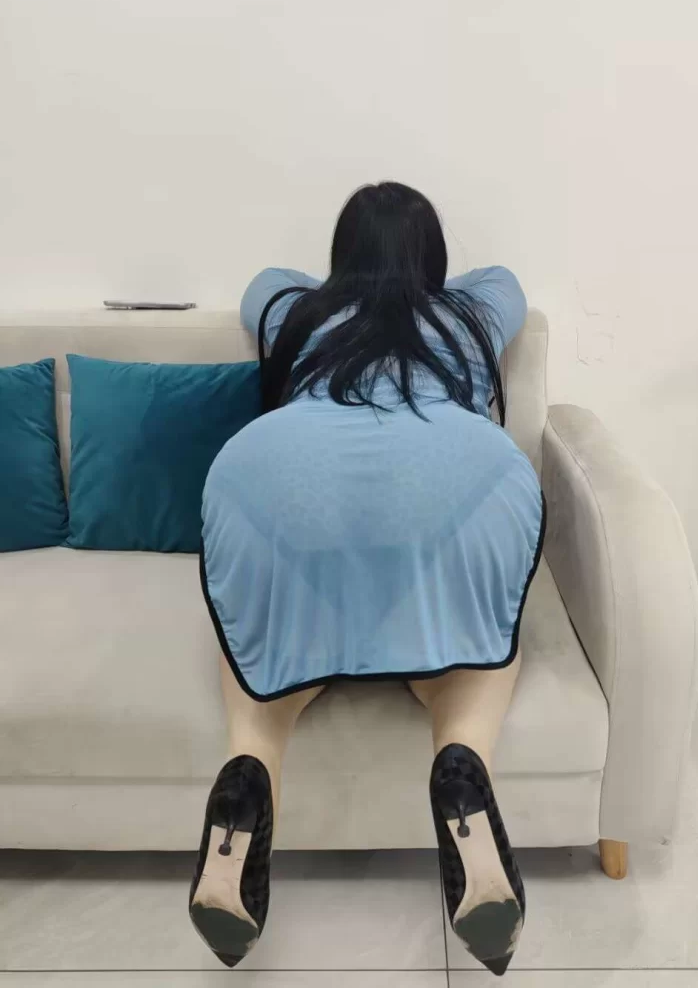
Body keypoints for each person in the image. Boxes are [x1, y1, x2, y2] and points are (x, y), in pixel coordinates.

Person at [188, 182, 545, 977]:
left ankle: (249, 771)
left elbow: (260, 281)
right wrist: (419, 286)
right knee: (477, 656)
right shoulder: (468, 313)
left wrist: (346, 285)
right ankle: (463, 759)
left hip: (281, 474)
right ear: (434, 260)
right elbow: (507, 282)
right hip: (453, 473)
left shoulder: (296, 311)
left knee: (260, 652)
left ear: (340, 256)